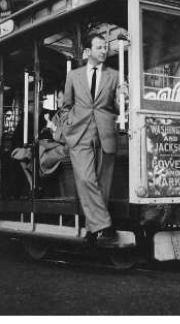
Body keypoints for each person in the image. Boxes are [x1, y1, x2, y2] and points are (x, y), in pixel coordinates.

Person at [62, 34, 125, 245]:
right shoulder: (73, 76)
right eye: (99, 47)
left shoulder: (115, 76)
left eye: (106, 47)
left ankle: (93, 229)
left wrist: (124, 97)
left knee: (102, 184)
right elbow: (66, 106)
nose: (104, 50)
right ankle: (105, 225)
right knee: (86, 179)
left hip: (105, 132)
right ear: (88, 52)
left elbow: (118, 108)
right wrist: (67, 127)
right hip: (79, 134)